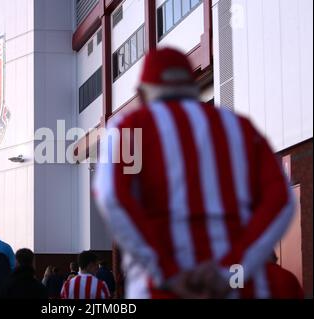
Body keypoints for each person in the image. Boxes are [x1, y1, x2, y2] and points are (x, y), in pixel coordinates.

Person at [93, 47, 295, 299]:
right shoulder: (241, 128)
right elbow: (281, 201)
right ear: (193, 87)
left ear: (142, 93)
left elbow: (111, 196)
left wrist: (167, 272)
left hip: (159, 290)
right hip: (234, 288)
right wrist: (228, 271)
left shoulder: (129, 126)